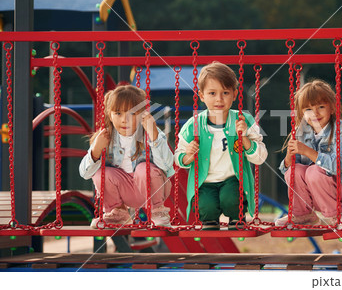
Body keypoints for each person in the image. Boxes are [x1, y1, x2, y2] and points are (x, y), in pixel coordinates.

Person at [175, 62, 268, 230]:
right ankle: (210, 221)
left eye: (225, 92)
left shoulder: (244, 121)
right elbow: (179, 158)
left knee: (231, 198)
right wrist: (188, 155)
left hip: (232, 180)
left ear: (234, 94)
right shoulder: (193, 125)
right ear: (201, 95)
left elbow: (261, 157)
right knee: (206, 207)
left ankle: (237, 218)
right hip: (205, 182)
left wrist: (246, 139)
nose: (219, 99)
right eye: (212, 93)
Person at [79, 85, 174, 228]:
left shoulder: (150, 132)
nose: (125, 119)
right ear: (109, 114)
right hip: (124, 192)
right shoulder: (105, 137)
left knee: (143, 168)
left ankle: (157, 212)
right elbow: (85, 173)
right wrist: (96, 151)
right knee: (100, 173)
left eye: (132, 113)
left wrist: (154, 136)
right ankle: (118, 213)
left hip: (151, 188)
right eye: (118, 113)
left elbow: (167, 166)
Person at [276, 79, 342, 230]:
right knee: (294, 171)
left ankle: (339, 215)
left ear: (333, 108)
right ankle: (303, 215)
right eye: (308, 109)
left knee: (314, 171)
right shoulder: (301, 131)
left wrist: (307, 151)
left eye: (321, 107)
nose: (314, 113)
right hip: (314, 195)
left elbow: (335, 167)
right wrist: (289, 157)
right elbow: (287, 171)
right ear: (302, 112)